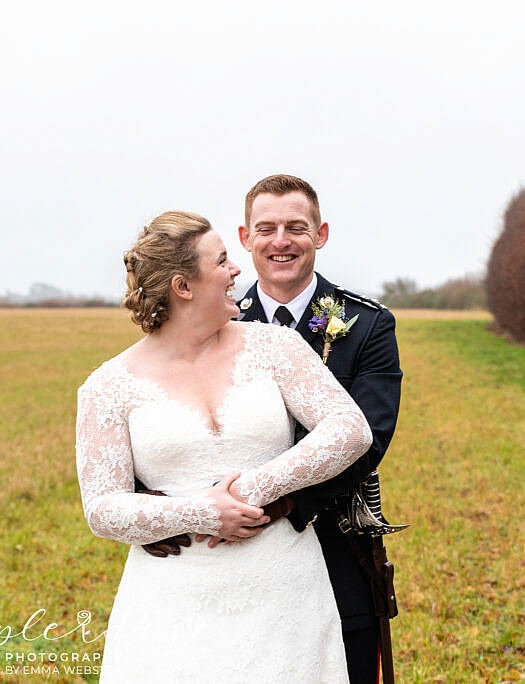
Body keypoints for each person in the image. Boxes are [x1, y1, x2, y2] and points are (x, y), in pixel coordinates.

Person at [75, 210, 372, 682]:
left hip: (285, 591)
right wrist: (202, 513)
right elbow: (102, 508)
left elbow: (349, 429)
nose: (237, 271)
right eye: (221, 262)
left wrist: (253, 488)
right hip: (172, 602)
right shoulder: (107, 386)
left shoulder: (277, 347)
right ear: (183, 287)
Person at [142, 174, 403, 683]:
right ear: (245, 238)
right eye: (266, 228)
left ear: (320, 234)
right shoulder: (208, 316)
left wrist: (281, 502)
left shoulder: (367, 324)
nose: (280, 241)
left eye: (295, 227)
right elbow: (158, 406)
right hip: (212, 551)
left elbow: (368, 437)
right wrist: (155, 507)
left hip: (333, 540)